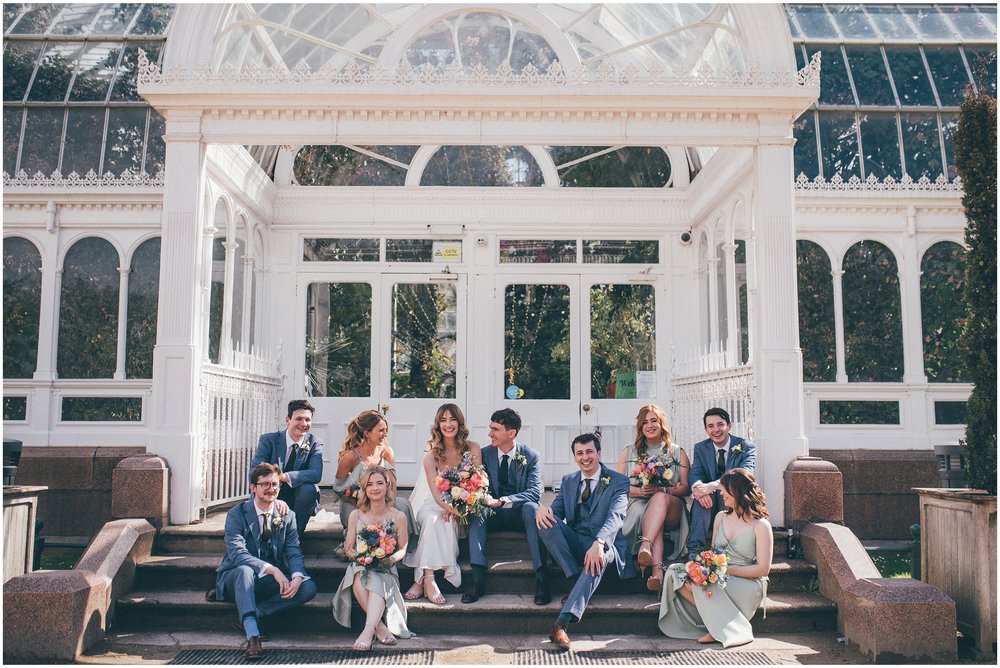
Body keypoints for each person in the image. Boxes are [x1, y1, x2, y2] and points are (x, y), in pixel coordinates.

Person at [208, 463, 318, 660]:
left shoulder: (287, 515)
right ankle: (253, 636)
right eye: (265, 484)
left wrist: (296, 576)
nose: (271, 489)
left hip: (267, 582)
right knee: (244, 571)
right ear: (253, 488)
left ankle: (252, 614)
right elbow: (237, 554)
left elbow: (294, 551)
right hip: (237, 576)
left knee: (308, 587)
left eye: (275, 484)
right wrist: (271, 569)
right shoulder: (237, 514)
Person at [533, 433, 631, 651]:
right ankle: (577, 579)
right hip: (576, 540)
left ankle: (561, 623)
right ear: (575, 457)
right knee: (544, 522)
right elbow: (555, 512)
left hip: (607, 544)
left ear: (599, 453)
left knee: (600, 555)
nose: (585, 457)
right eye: (580, 453)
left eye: (589, 452)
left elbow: (617, 517)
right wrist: (541, 508)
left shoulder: (618, 481)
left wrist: (600, 542)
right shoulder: (568, 481)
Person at [659, 468, 772, 648]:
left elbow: (763, 569)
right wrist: (704, 568)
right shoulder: (720, 517)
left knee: (711, 583)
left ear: (737, 491)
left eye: (725, 490)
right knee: (675, 573)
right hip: (720, 575)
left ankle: (722, 628)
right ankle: (720, 623)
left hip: (747, 582)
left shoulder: (761, 525)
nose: (721, 493)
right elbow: (713, 555)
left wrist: (725, 571)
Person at [463, 408, 546, 604]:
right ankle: (477, 579)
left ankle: (542, 580)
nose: (489, 433)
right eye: (490, 428)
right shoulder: (484, 454)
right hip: (492, 514)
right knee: (477, 510)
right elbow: (475, 484)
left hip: (519, 514)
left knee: (532, 509)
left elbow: (535, 492)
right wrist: (484, 499)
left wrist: (502, 501)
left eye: (495, 429)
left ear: (511, 433)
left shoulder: (531, 456)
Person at [402, 403, 482, 604]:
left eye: (452, 419)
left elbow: (478, 483)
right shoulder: (431, 456)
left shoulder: (473, 448)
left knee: (442, 521)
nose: (448, 424)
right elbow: (436, 494)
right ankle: (429, 579)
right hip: (433, 503)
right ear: (438, 425)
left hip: (463, 506)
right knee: (432, 518)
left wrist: (460, 510)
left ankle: (420, 579)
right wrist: (451, 509)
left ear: (459, 422)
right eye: (443, 420)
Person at [332, 466, 414, 650]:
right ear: (364, 489)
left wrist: (391, 559)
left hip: (386, 566)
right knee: (359, 572)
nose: (375, 488)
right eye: (369, 484)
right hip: (360, 565)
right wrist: (355, 556)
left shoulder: (398, 516)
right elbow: (348, 546)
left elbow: (402, 549)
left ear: (387, 486)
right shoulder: (356, 515)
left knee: (377, 576)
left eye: (379, 483)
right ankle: (377, 628)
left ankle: (368, 631)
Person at [616, 404, 690, 592]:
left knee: (659, 499)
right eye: (645, 422)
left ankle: (645, 545)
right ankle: (657, 574)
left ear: (661, 423)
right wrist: (640, 492)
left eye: (654, 421)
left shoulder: (677, 452)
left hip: (671, 505)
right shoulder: (628, 452)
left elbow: (686, 487)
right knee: (653, 516)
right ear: (640, 428)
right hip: (639, 503)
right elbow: (618, 486)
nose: (650, 425)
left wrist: (664, 490)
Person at [686, 407, 755, 555]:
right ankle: (694, 551)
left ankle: (730, 552)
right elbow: (696, 472)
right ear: (706, 430)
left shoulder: (746, 446)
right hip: (710, 505)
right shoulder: (700, 448)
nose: (716, 430)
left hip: (735, 500)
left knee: (714, 492)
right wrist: (699, 488)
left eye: (720, 424)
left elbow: (745, 474)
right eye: (710, 426)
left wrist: (712, 486)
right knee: (702, 498)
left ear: (729, 426)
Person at [250, 399, 324, 537]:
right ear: (288, 420)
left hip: (298, 496)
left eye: (307, 420)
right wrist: (272, 495)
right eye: (299, 419)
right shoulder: (269, 440)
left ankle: (294, 538)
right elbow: (255, 470)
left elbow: (316, 474)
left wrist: (284, 477)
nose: (303, 424)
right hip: (270, 491)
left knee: (310, 490)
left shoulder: (314, 442)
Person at [332, 410, 410, 531]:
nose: (385, 434)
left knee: (403, 505)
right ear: (367, 433)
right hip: (355, 504)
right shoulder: (350, 457)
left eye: (386, 430)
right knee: (365, 525)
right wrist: (365, 505)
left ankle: (402, 545)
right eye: (381, 431)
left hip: (383, 502)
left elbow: (393, 484)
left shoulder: (387, 452)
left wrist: (387, 507)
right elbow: (338, 488)